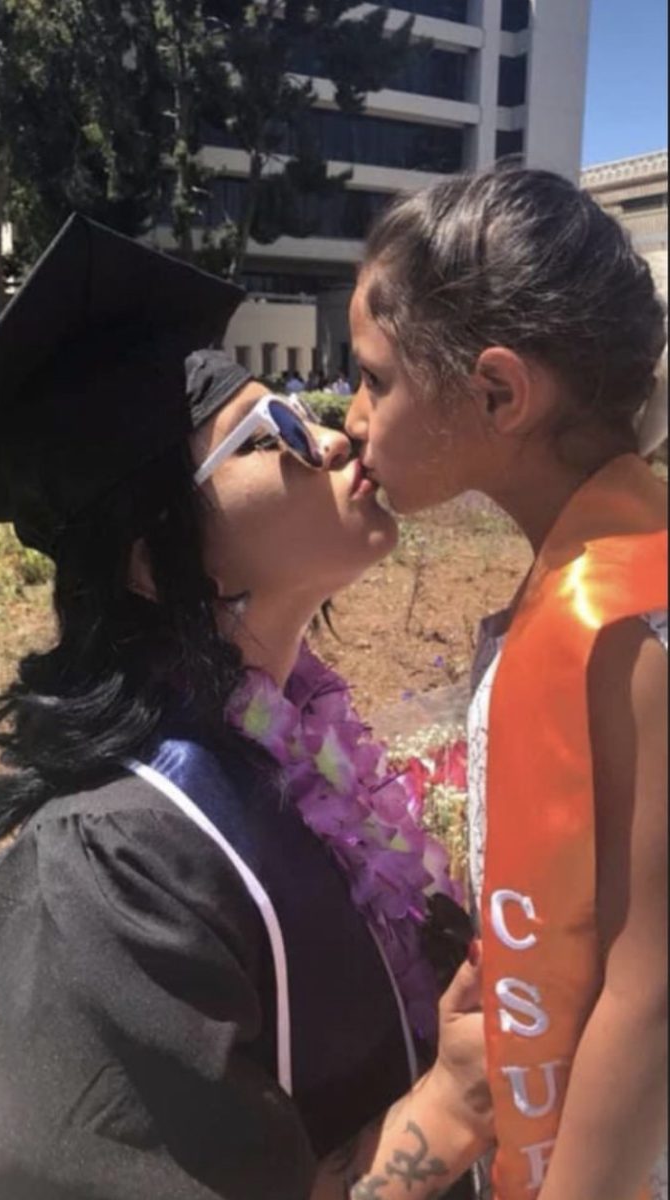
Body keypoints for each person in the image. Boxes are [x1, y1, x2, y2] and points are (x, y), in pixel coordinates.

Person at [0, 214, 492, 1199]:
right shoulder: (106, 877)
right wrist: (456, 1101)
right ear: (149, 553)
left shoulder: (305, 755)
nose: (336, 432)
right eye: (273, 432)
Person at [345, 167, 668, 1200]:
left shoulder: (628, 621)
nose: (352, 418)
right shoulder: (583, 565)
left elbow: (648, 989)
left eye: (374, 379)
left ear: (496, 393)